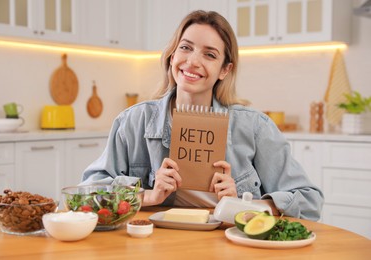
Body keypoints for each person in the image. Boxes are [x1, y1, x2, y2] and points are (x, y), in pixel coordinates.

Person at [81, 10, 324, 221]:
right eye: (185, 48)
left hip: (228, 243)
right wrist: (146, 195)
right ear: (172, 56)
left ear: (225, 69)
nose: (193, 61)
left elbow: (310, 200)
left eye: (209, 54)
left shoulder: (255, 127)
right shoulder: (132, 122)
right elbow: (88, 192)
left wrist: (243, 205)